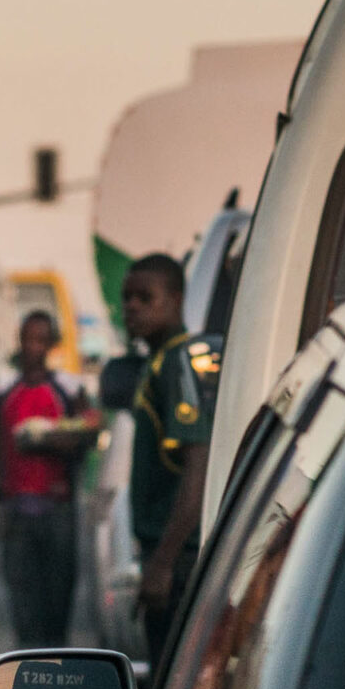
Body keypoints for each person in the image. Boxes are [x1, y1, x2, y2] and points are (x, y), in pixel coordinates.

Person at [0, 310, 99, 647]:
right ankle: (28, 665)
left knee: (57, 602)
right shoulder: (5, 391)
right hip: (16, 513)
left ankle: (56, 665)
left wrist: (52, 438)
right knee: (23, 605)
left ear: (51, 345)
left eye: (41, 341)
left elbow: (88, 433)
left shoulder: (68, 388)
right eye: (29, 340)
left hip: (57, 510)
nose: (34, 348)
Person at [118, 254, 220, 667]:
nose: (132, 307)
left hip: (177, 559)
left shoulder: (179, 362)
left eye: (146, 298)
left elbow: (199, 464)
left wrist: (163, 563)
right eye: (127, 298)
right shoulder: (158, 361)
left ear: (176, 299)